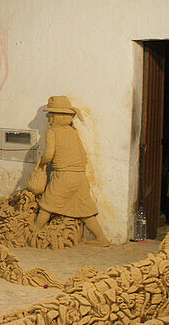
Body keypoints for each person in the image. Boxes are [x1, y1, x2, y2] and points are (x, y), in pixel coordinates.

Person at [26, 95, 110, 246]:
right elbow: (83, 155)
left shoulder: (53, 131)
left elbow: (49, 154)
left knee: (46, 205)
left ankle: (34, 233)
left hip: (64, 176)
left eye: (50, 115)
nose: (48, 119)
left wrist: (41, 162)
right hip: (80, 177)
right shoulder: (73, 132)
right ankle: (101, 239)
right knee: (85, 210)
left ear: (56, 117)